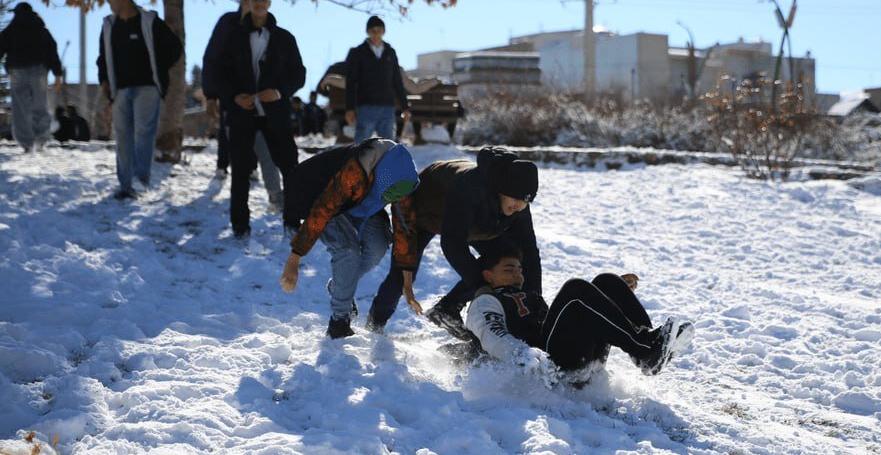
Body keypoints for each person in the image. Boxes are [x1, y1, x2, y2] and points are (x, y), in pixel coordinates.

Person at [368, 146, 541, 338]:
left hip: (472, 222)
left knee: (501, 263)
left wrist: (534, 298)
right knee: (403, 274)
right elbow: (452, 244)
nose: (519, 206)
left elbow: (529, 251)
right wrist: (480, 286)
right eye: (516, 199)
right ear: (502, 189)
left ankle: (447, 309)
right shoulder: (470, 188)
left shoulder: (518, 202)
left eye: (525, 202)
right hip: (425, 212)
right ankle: (375, 323)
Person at [466, 246, 695, 383]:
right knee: (575, 290)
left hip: (574, 357)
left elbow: (561, 322)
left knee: (608, 282)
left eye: (520, 269)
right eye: (509, 269)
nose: (518, 274)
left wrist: (608, 298)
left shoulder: (528, 296)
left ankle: (649, 348)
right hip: (548, 370)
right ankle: (645, 351)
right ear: (488, 276)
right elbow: (491, 334)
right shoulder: (485, 302)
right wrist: (522, 356)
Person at [279, 138, 419, 338]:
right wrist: (294, 259)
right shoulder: (356, 170)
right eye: (389, 197)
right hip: (320, 194)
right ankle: (339, 321)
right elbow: (323, 209)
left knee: (379, 244)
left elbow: (405, 228)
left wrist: (407, 282)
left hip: (360, 199)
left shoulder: (403, 180)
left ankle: (339, 286)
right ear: (381, 179)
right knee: (347, 251)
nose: (393, 201)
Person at [216, 0, 305, 237]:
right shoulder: (232, 38)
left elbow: (298, 74)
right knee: (241, 171)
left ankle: (291, 223)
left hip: (275, 114)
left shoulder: (285, 38)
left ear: (269, 2)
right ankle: (240, 229)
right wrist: (234, 97)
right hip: (241, 113)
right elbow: (219, 75)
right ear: (245, 2)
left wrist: (278, 92)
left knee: (290, 166)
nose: (259, 3)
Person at [96, 0, 181, 199]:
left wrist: (159, 71)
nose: (109, 2)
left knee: (144, 132)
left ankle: (140, 179)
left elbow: (174, 48)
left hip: (148, 88)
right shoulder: (109, 26)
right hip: (120, 90)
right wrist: (105, 83)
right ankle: (125, 186)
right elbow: (103, 59)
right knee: (123, 135)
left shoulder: (149, 21)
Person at [202, 0, 285, 210]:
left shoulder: (268, 29)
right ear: (243, 1)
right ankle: (230, 183)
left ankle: (276, 196)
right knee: (233, 142)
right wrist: (211, 95)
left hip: (261, 100)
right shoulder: (227, 24)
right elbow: (212, 60)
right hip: (233, 99)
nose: (256, 5)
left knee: (265, 147)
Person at [0, 2, 64, 152]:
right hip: (39, 71)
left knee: (20, 108)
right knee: (39, 104)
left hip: (17, 71)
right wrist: (57, 73)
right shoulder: (41, 29)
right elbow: (52, 50)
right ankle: (41, 138)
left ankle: (26, 143)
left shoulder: (12, 29)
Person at [344, 15, 410, 141]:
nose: (376, 34)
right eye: (373, 30)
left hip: (387, 107)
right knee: (361, 146)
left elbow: (397, 80)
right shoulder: (357, 52)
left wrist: (405, 107)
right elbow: (351, 82)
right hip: (366, 106)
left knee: (387, 147)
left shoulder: (390, 52)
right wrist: (350, 108)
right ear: (368, 32)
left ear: (383, 31)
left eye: (379, 30)